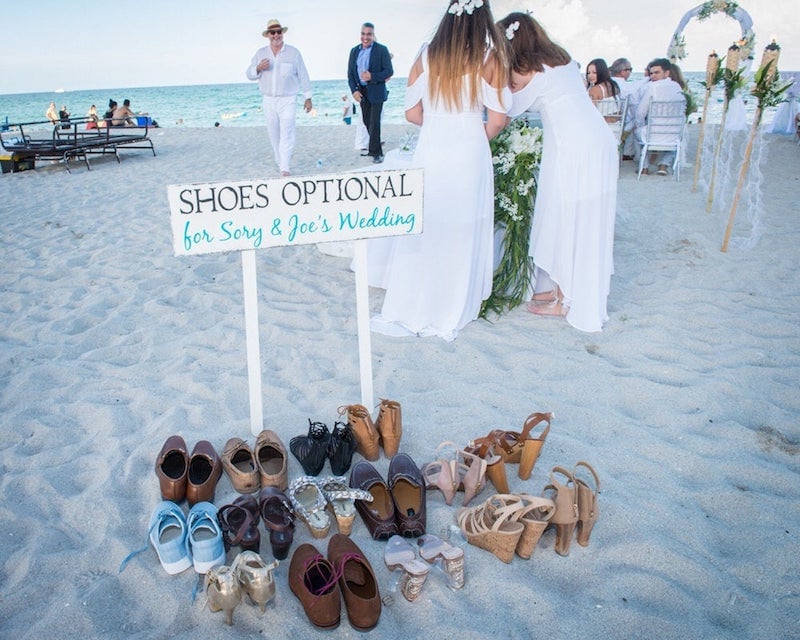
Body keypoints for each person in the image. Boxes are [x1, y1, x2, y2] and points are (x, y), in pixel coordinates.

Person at [368, 0, 509, 341]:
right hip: (469, 147)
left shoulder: (426, 55)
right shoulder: (490, 58)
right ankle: (452, 302)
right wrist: (471, 133)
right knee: (463, 224)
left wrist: (438, 126)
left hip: (431, 146)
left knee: (428, 222)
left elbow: (412, 113)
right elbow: (498, 119)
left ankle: (415, 300)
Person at [498, 11, 618, 332]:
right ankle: (564, 289)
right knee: (583, 216)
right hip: (598, 140)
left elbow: (505, 111)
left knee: (569, 215)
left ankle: (564, 299)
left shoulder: (528, 71)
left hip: (574, 146)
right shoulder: (562, 61)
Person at [246, 19, 312, 177]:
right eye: (273, 32)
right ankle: (280, 161)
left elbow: (303, 75)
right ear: (268, 35)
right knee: (273, 133)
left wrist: (308, 97)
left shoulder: (293, 53)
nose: (276, 35)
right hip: (268, 99)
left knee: (287, 130)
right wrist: (258, 68)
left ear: (282, 33)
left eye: (279, 32)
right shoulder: (261, 53)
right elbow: (249, 74)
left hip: (288, 99)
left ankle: (285, 167)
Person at [347, 22, 393, 163]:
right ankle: (375, 147)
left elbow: (389, 71)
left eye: (369, 34)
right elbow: (350, 74)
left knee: (374, 123)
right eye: (363, 34)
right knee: (367, 121)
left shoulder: (381, 50)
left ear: (373, 35)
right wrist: (354, 90)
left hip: (376, 91)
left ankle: (376, 153)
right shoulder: (354, 51)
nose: (365, 37)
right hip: (361, 92)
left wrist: (372, 76)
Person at [634, 58, 685, 175]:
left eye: (656, 73)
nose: (653, 76)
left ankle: (644, 167)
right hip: (674, 134)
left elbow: (640, 113)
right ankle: (663, 165)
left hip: (653, 134)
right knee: (679, 139)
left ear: (667, 73)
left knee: (637, 132)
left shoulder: (652, 87)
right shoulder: (677, 87)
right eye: (651, 73)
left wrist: (640, 126)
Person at [610, 57, 639, 159]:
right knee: (636, 119)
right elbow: (636, 109)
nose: (630, 72)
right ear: (623, 72)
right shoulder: (629, 88)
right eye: (630, 69)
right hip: (622, 124)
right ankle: (628, 152)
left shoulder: (604, 85)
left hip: (606, 121)